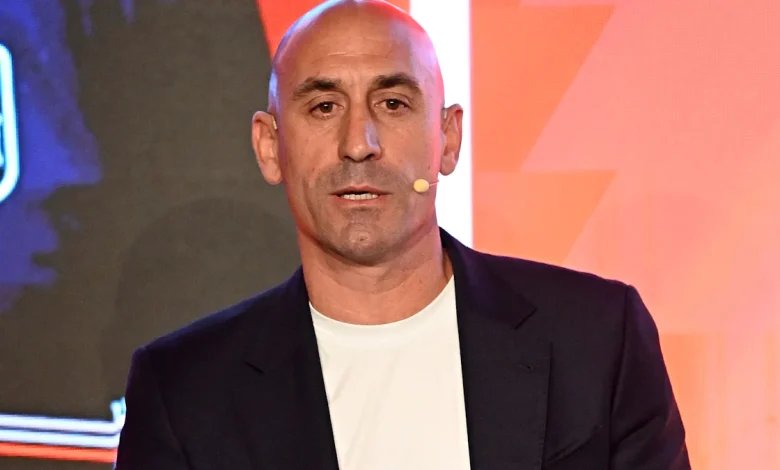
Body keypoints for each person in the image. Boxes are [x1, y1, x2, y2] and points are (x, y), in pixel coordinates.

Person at [115, 0, 690, 468]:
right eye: (323, 107)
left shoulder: (597, 338)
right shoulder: (185, 392)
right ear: (270, 147)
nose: (358, 143)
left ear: (448, 138)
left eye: (392, 103)